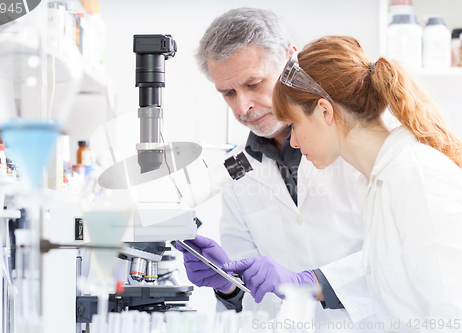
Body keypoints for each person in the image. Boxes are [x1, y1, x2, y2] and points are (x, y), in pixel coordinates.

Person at [178, 8, 386, 330]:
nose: (242, 106)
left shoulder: (357, 141)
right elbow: (254, 300)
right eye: (228, 93)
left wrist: (311, 282)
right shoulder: (237, 173)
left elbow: (399, 257)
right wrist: (228, 285)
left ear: (291, 60)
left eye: (254, 84)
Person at [245, 34, 462, 329]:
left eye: (295, 124)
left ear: (324, 110)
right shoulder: (376, 183)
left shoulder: (416, 176)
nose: (292, 141)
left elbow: (451, 315)